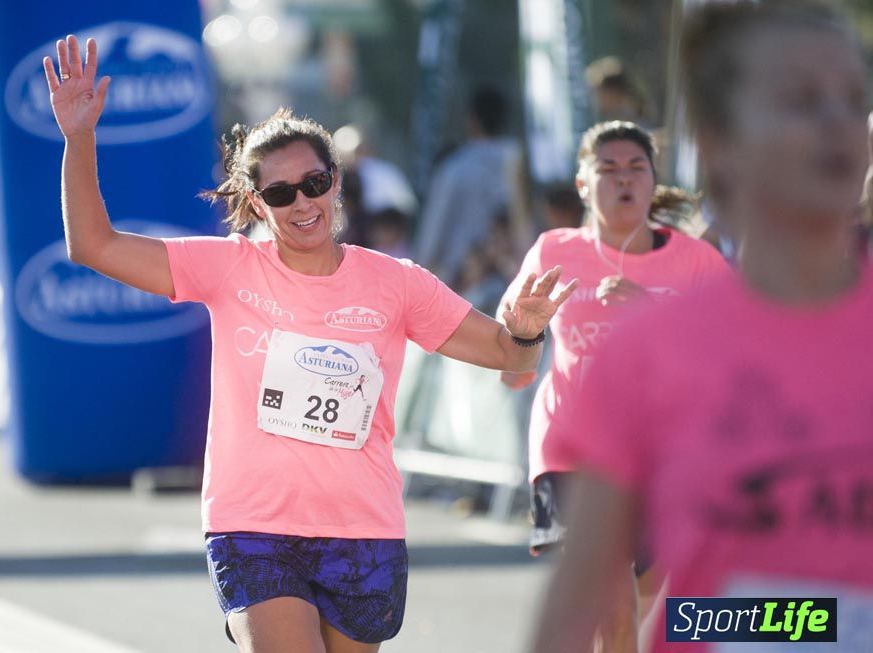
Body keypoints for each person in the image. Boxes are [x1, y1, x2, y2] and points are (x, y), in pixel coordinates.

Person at [42, 35, 577, 653]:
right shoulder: (228, 268)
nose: (302, 203)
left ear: (336, 182)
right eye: (279, 193)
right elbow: (94, 246)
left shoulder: (394, 283)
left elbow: (510, 356)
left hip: (362, 530)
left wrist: (527, 326)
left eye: (314, 182)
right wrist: (78, 139)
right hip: (253, 526)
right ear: (255, 204)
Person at [529, 2, 872, 651]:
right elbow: (580, 604)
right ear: (719, 142)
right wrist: (809, 621)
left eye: (855, 99)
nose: (837, 122)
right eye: (801, 100)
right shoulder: (648, 353)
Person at [501, 120, 729, 651]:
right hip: (574, 450)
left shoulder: (696, 262)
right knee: (616, 611)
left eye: (636, 168)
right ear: (582, 183)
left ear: (653, 180)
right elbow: (513, 369)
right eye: (607, 169)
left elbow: (736, 362)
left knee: (634, 612)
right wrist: (523, 332)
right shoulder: (553, 251)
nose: (622, 180)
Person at [413, 85, 518, 285]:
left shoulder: (455, 168)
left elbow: (434, 227)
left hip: (461, 278)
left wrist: (419, 272)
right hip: (511, 275)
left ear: (472, 119)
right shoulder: (517, 165)